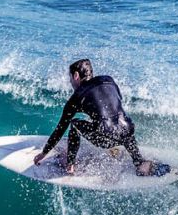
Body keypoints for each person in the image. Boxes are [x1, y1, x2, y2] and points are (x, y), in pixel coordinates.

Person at [33, 59, 166, 177]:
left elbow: (60, 128)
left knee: (74, 124)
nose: (70, 82)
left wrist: (44, 153)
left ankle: (70, 164)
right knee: (120, 122)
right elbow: (114, 105)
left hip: (104, 138)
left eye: (70, 79)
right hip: (128, 131)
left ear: (76, 76)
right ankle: (139, 162)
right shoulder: (109, 80)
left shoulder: (77, 96)